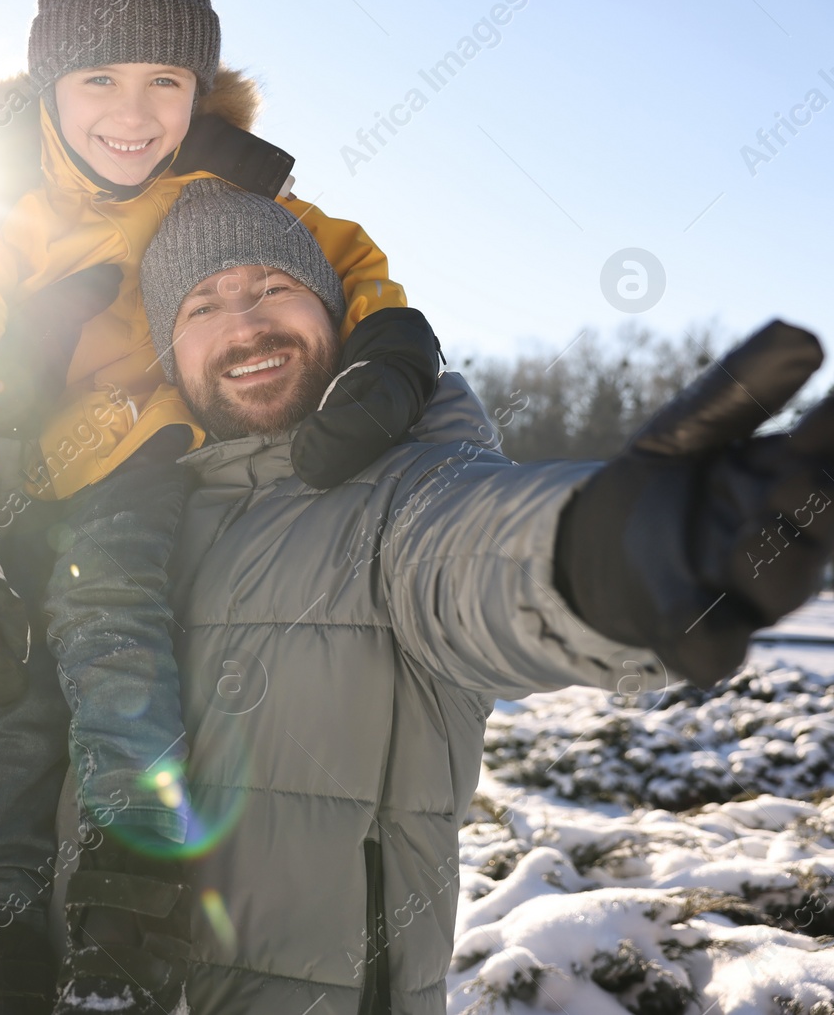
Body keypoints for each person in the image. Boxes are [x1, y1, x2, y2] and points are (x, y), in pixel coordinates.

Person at [121, 178, 834, 1014]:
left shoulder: (404, 486)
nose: (245, 323)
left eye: (274, 287)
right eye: (203, 304)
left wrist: (592, 554)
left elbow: (466, 554)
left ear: (335, 310)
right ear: (169, 351)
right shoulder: (124, 526)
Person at [0, 0, 441, 1009]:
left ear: (198, 85)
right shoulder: (0, 199)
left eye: (165, 81)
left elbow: (346, 255)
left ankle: (127, 889)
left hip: (146, 450)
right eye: (98, 79)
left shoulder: (223, 179)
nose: (133, 115)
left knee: (112, 623)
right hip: (23, 477)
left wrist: (388, 351)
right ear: (48, 83)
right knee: (13, 704)